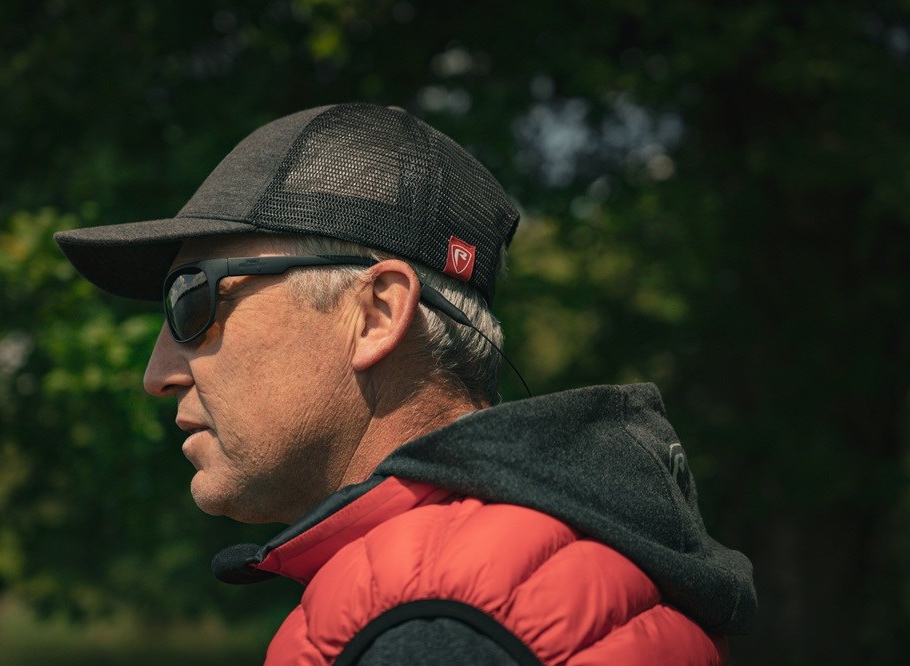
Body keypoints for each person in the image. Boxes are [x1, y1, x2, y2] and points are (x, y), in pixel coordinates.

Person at [55, 102, 756, 664]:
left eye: (192, 300)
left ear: (376, 313)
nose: (157, 374)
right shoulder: (560, 565)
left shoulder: (438, 625)